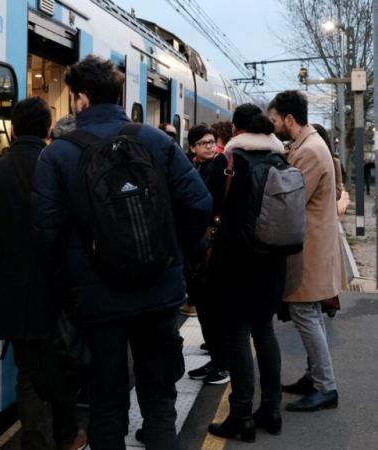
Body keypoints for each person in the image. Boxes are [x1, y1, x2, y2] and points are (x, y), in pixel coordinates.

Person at [32, 55, 212, 450]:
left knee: (106, 404)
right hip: (159, 294)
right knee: (159, 399)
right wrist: (171, 254)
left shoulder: (57, 156)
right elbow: (200, 205)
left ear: (80, 99)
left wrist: (71, 290)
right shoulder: (156, 141)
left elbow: (46, 238)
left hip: (97, 304)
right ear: (118, 95)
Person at [0, 97, 85, 450]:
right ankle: (67, 436)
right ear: (48, 130)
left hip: (13, 290)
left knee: (28, 369)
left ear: (14, 129)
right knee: (61, 362)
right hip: (56, 286)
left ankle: (35, 442)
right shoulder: (61, 167)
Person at [205, 104, 287, 442]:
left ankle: (240, 415)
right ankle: (271, 408)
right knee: (264, 332)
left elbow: (207, 205)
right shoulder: (281, 161)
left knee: (237, 335)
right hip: (272, 262)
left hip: (236, 261)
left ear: (237, 130)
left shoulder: (228, 162)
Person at [268, 90, 342, 412]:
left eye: (274, 120)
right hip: (311, 244)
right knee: (310, 315)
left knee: (305, 314)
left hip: (309, 248)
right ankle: (314, 377)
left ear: (288, 119)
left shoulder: (309, 151)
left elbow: (291, 199)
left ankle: (326, 387)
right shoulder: (308, 145)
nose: (272, 127)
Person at [183, 124, 230, 386]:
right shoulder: (191, 168)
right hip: (196, 246)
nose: (211, 147)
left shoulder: (220, 168)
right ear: (193, 148)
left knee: (213, 307)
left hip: (211, 246)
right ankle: (216, 358)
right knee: (202, 305)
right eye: (204, 143)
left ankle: (223, 364)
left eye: (212, 142)